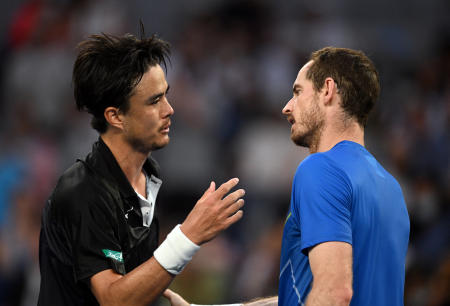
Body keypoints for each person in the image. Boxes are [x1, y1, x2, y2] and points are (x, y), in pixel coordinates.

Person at [164, 47, 410, 306]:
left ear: (327, 90)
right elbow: (312, 295)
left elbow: (334, 294)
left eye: (297, 92)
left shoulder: (320, 168)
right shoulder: (391, 188)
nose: (286, 107)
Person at [38, 30, 245, 306]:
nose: (169, 109)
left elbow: (134, 282)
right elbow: (115, 299)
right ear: (116, 116)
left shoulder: (149, 175)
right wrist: (188, 235)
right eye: (154, 101)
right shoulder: (83, 192)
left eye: (166, 96)